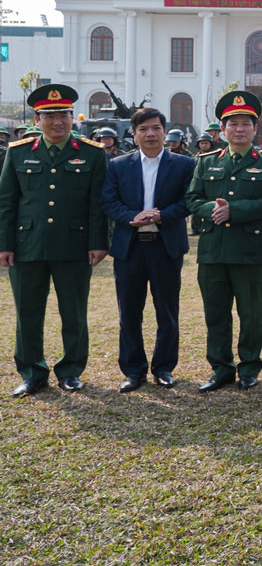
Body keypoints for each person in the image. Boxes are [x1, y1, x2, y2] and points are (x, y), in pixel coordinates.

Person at [0, 85, 109, 397]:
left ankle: (71, 370)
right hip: (27, 246)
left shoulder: (92, 152)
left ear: (73, 118)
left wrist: (99, 242)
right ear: (37, 119)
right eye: (50, 116)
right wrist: (4, 245)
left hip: (74, 245)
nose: (57, 121)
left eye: (63, 115)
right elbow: (7, 202)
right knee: (28, 313)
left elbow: (97, 204)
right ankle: (32, 372)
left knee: (74, 313)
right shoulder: (18, 152)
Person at [184, 91, 262, 392]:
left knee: (250, 313)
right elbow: (192, 198)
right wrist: (213, 210)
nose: (239, 129)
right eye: (233, 124)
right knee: (215, 312)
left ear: (255, 129)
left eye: (245, 124)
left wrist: (233, 211)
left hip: (248, 248)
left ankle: (249, 367)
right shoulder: (206, 162)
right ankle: (220, 368)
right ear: (223, 130)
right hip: (212, 249)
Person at [100, 107, 196, 392]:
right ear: (134, 134)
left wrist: (161, 215)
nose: (150, 134)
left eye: (156, 128)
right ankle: (133, 370)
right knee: (129, 311)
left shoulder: (183, 164)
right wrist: (133, 216)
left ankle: (163, 368)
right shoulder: (118, 165)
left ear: (165, 132)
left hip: (165, 245)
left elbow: (189, 200)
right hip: (130, 246)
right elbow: (108, 201)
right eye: (143, 129)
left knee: (167, 310)